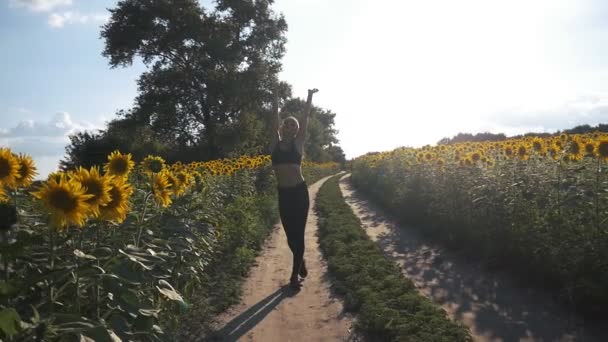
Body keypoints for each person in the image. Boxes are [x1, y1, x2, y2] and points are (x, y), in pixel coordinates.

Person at [271, 88, 318, 289]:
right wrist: (274, 99)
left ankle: (294, 276)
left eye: (293, 124)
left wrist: (309, 98)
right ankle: (301, 261)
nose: (290, 126)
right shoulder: (275, 143)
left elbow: (305, 119)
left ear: (296, 130)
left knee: (298, 234)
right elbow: (273, 119)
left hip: (299, 193)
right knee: (290, 237)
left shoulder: (298, 145)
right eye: (287, 123)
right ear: (282, 127)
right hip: (284, 194)